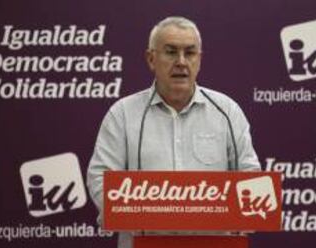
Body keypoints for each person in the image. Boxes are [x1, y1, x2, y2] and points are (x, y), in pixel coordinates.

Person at [87, 16, 260, 248]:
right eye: (170, 52)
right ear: (151, 59)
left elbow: (250, 176)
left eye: (189, 53)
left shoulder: (227, 111)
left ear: (199, 59)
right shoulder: (123, 114)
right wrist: (137, 214)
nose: (181, 62)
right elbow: (100, 177)